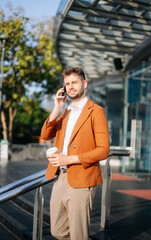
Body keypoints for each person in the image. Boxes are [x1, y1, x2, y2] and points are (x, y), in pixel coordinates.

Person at [41, 66, 110, 240]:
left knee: (79, 234)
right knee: (57, 230)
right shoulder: (64, 112)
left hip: (83, 178)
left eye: (74, 82)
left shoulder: (96, 111)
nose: (70, 86)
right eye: (67, 84)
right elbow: (44, 135)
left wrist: (69, 159)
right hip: (60, 177)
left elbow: (103, 150)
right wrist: (56, 108)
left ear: (84, 83)